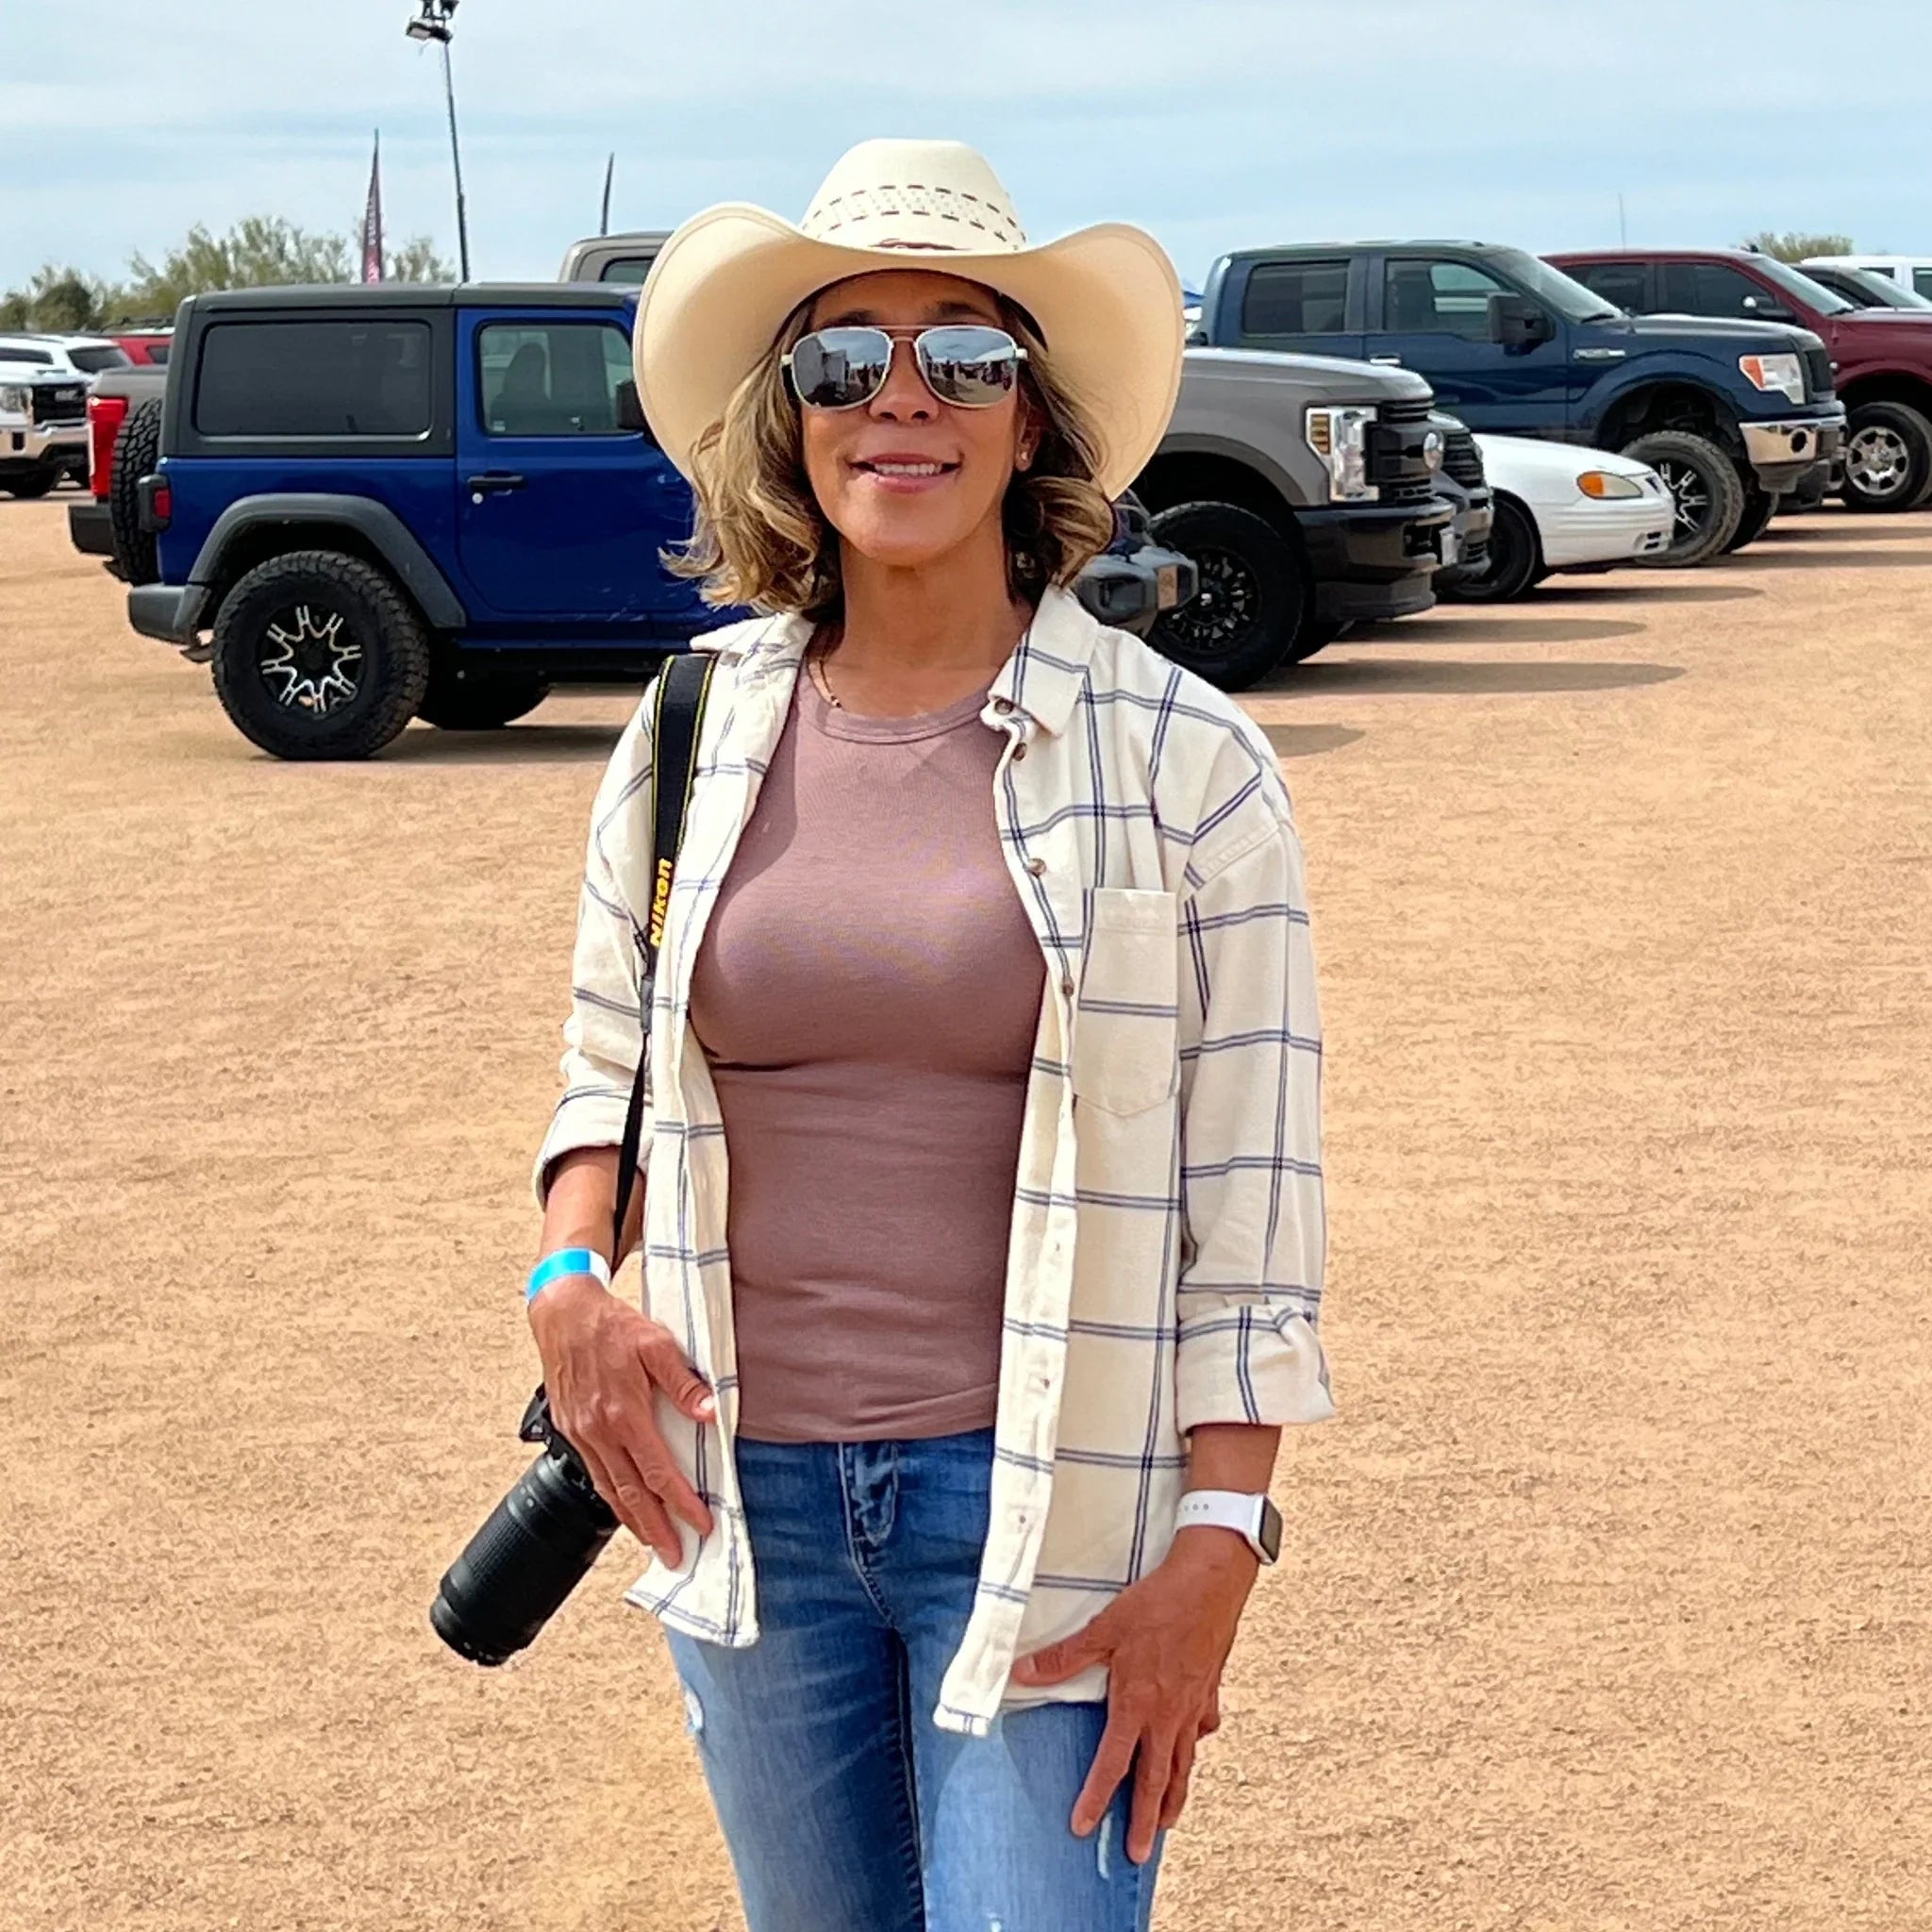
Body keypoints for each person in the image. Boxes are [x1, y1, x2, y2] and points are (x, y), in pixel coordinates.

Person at [525, 139, 1333, 1932]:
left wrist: (1221, 1545)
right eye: (844, 359)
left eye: (964, 356)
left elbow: (1253, 1208)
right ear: (790, 417)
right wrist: (567, 1276)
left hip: (1054, 1505)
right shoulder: (688, 729)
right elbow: (610, 1065)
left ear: (1031, 419)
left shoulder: (1189, 765)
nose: (902, 400)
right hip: (747, 1512)